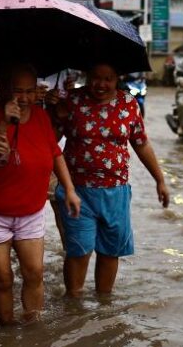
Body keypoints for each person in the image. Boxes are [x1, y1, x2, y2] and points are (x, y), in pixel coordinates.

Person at [50, 61, 169, 297]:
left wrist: (160, 180)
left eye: (108, 79)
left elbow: (141, 144)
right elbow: (49, 142)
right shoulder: (71, 101)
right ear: (86, 75)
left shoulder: (128, 104)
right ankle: (74, 305)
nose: (101, 84)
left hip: (116, 193)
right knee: (78, 250)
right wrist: (53, 113)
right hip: (77, 192)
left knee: (110, 252)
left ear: (117, 79)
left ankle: (104, 308)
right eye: (95, 77)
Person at [0, 64, 82, 326]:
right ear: (4, 89)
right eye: (16, 91)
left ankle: (33, 333)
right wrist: (3, 123)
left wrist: (68, 189)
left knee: (34, 273)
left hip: (31, 211)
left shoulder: (41, 116)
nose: (22, 98)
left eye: (28, 91)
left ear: (37, 92)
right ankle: (8, 334)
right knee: (3, 278)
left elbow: (55, 153)